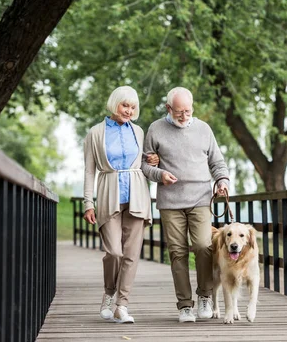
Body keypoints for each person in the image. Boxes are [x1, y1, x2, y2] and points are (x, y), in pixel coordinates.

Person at [141, 86, 229, 323]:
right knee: (177, 252)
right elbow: (144, 165)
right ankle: (184, 305)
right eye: (179, 112)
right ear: (169, 108)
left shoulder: (203, 129)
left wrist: (222, 180)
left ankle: (204, 296)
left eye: (187, 111)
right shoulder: (156, 129)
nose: (183, 116)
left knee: (203, 245)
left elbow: (217, 161)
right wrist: (160, 175)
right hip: (170, 201)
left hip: (200, 197)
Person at [83, 86, 159, 324]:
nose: (129, 110)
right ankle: (108, 293)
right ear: (115, 103)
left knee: (131, 254)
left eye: (133, 107)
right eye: (125, 105)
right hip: (109, 195)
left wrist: (153, 159)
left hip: (137, 194)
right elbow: (89, 171)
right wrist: (88, 202)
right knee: (114, 252)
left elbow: (144, 159)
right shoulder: (96, 133)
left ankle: (122, 305)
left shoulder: (138, 131)